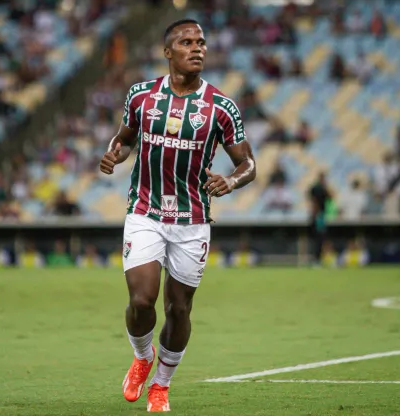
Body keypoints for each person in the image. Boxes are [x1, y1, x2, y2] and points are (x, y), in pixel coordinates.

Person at [98, 19, 256, 413]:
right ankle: (142, 356)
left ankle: (162, 386)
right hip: (145, 210)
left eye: (201, 42)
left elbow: (249, 163)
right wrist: (114, 153)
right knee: (141, 300)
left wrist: (232, 181)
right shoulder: (141, 96)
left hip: (192, 219)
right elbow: (125, 138)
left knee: (179, 309)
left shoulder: (221, 107)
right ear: (168, 52)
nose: (197, 48)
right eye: (187, 42)